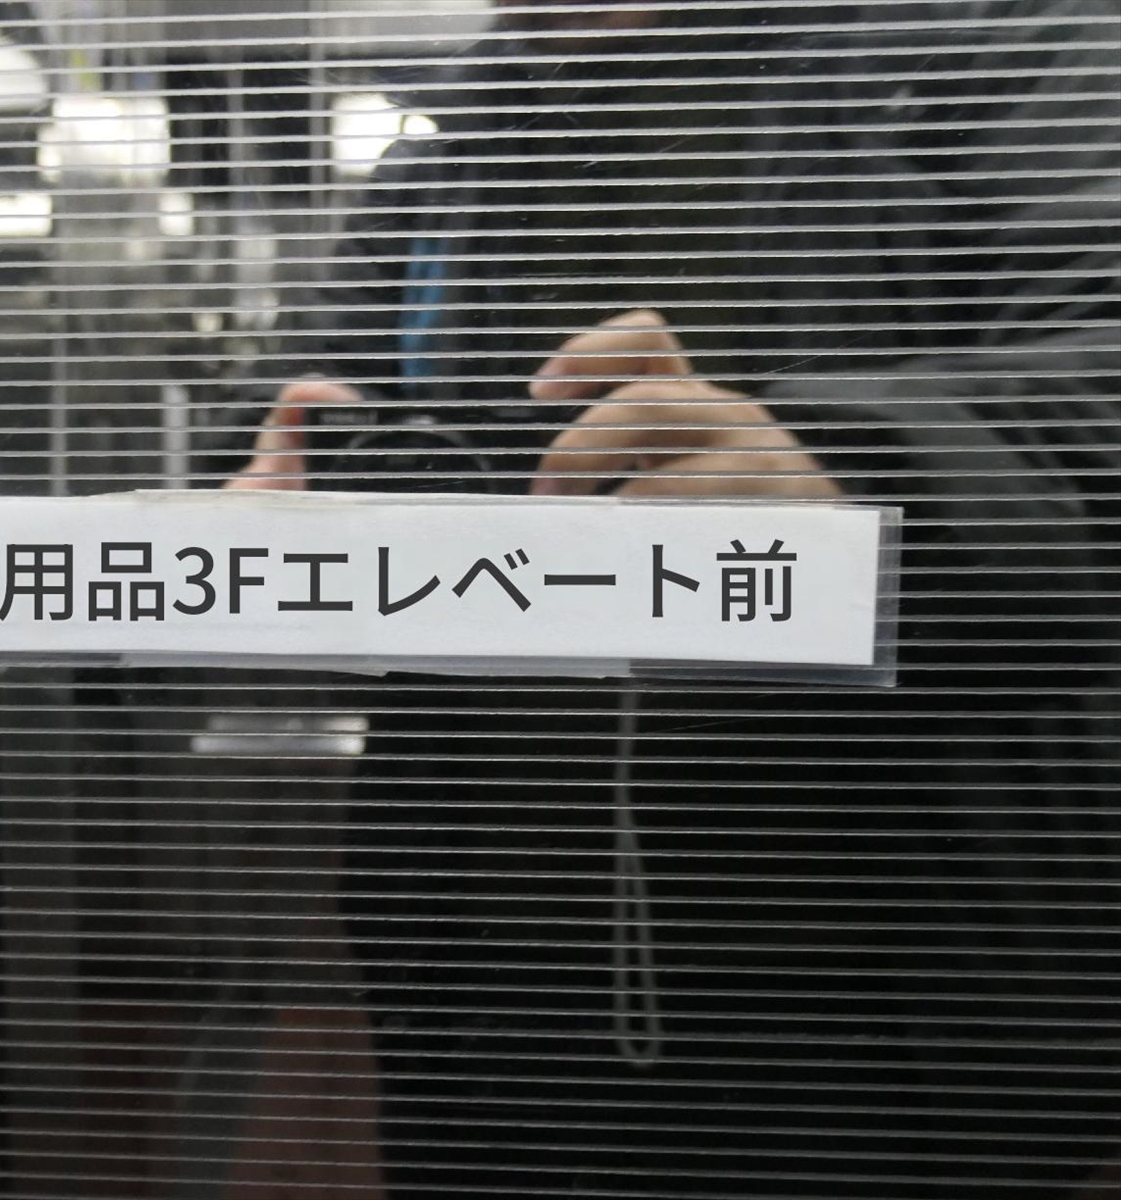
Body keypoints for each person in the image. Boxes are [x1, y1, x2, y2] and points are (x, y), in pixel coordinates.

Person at [213, 0, 1121, 1196]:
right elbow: (309, 402)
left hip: (882, 1000)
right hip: (487, 978)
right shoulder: (457, 147)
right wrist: (267, 477)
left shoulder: (988, 48)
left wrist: (844, 475)